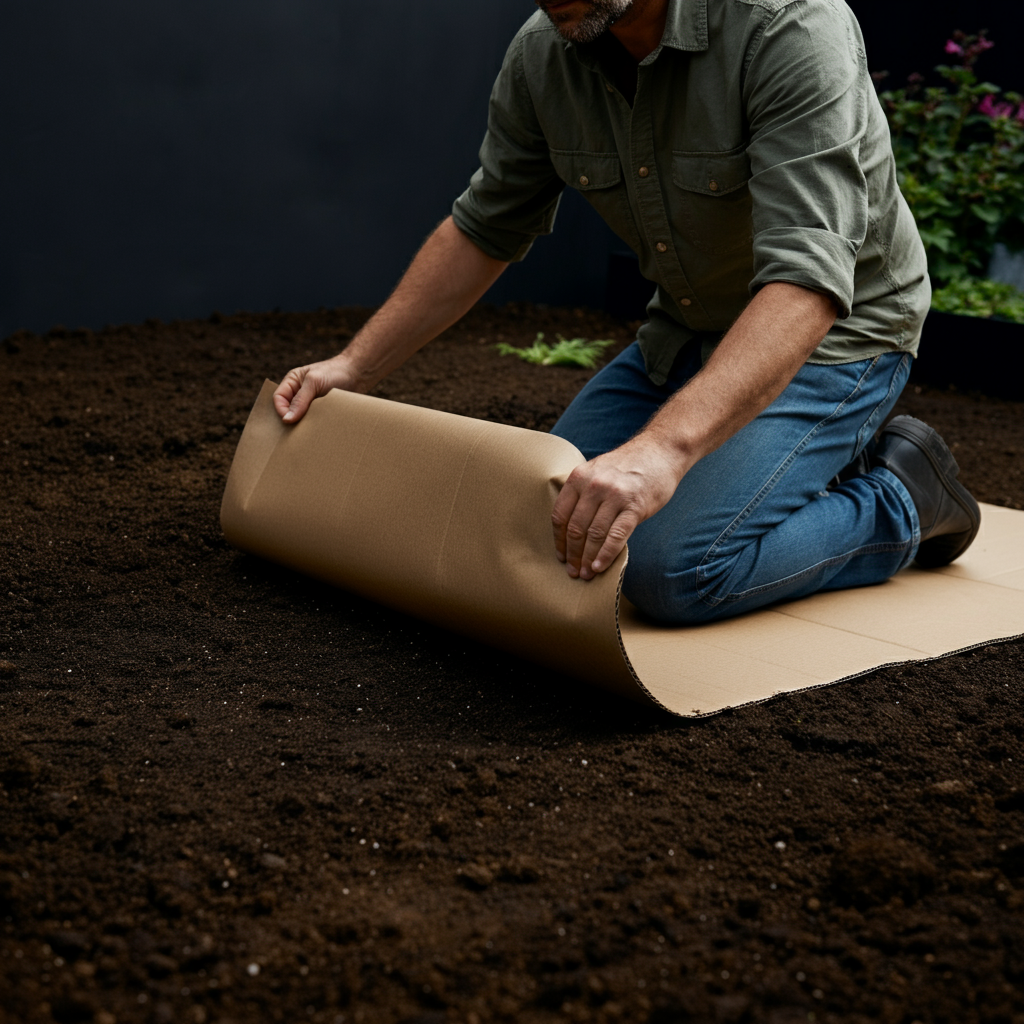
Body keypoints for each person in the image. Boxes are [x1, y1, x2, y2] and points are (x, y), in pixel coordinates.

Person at [272, 0, 981, 625]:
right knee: (547, 529)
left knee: (668, 571)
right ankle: (784, 460)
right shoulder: (545, 52)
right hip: (686, 331)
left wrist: (660, 452)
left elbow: (808, 282)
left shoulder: (788, 25)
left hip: (837, 337)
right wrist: (354, 366)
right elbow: (485, 226)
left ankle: (903, 497)